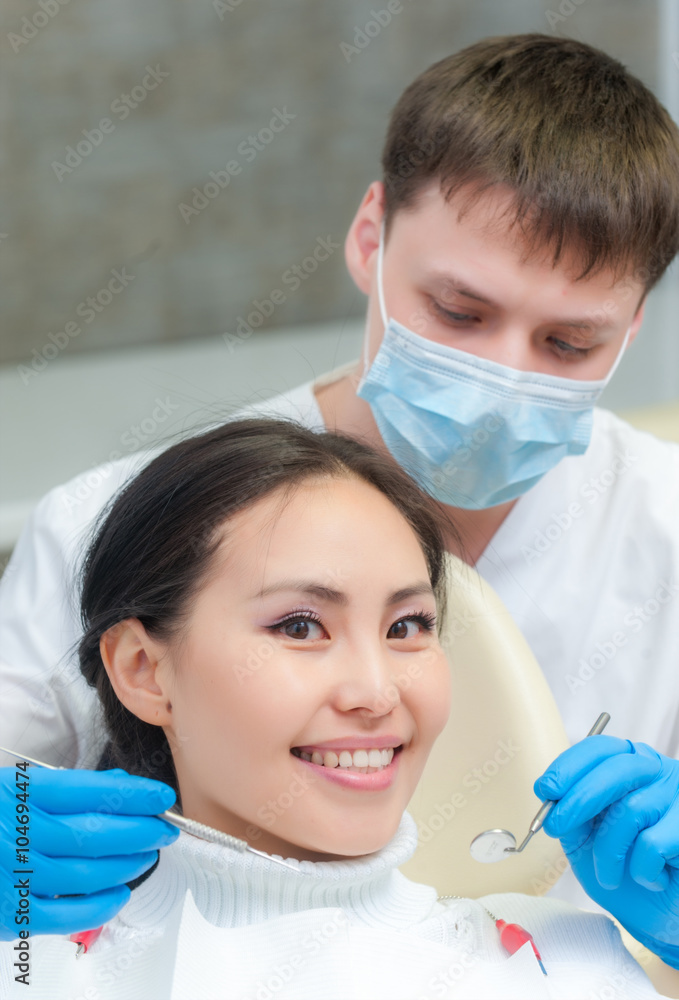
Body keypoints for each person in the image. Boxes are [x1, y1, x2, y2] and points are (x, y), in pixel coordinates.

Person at [1, 30, 679, 954]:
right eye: (457, 311)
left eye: (568, 345)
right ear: (369, 238)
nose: (501, 378)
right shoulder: (111, 521)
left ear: (633, 326)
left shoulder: (659, 527)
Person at [0, 418, 670, 998]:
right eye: (298, 626)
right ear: (143, 669)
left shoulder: (557, 964)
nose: (376, 694)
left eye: (406, 626)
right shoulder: (29, 966)